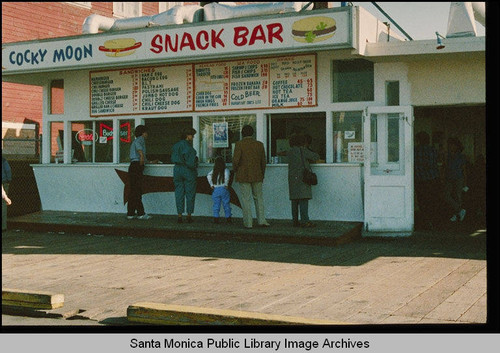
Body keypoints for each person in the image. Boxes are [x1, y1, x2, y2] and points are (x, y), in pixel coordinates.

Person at [232, 125, 269, 229]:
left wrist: (236, 170)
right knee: (259, 198)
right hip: (257, 174)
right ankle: (262, 220)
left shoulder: (239, 145)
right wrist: (262, 174)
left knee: (246, 199)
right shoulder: (259, 145)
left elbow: (235, 161)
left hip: (243, 175)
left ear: (242, 133)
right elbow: (263, 162)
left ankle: (248, 223)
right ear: (252, 133)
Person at [287, 133, 320, 228]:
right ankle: (305, 221)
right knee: (303, 199)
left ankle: (295, 221)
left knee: (294, 200)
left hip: (292, 178)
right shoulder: (303, 150)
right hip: (302, 177)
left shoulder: (289, 151)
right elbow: (316, 156)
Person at [127, 125, 155, 220]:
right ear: (143, 133)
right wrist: (142, 161)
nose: (147, 134)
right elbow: (140, 151)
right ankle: (140, 213)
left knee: (133, 190)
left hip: (133, 166)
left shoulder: (135, 140)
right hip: (137, 166)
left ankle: (130, 213)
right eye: (146, 132)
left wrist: (149, 161)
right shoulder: (140, 139)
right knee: (137, 190)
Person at [414, 131, 440, 230]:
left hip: (419, 180)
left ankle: (424, 222)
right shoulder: (432, 150)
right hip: (432, 179)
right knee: (432, 201)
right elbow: (435, 163)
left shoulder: (415, 150)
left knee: (422, 201)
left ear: (418, 140)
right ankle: (433, 222)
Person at [172, 127, 198, 223]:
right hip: (188, 171)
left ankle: (179, 215)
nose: (193, 137)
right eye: (192, 135)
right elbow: (191, 163)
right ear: (188, 136)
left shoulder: (175, 145)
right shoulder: (189, 148)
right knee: (190, 193)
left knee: (179, 193)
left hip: (177, 170)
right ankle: (189, 215)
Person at [444, 137, 467, 222]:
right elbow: (446, 167)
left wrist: (465, 182)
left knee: (458, 197)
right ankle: (460, 211)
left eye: (452, 145)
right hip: (449, 178)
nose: (450, 147)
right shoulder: (448, 156)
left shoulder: (461, 156)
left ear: (457, 146)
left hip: (458, 178)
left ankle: (456, 215)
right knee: (446, 196)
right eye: (449, 145)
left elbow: (464, 170)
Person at [207, 156, 232, 224]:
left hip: (215, 189)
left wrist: (211, 184)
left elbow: (208, 175)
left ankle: (216, 218)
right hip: (224, 188)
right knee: (226, 204)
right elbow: (227, 176)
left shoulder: (214, 170)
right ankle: (228, 218)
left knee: (216, 204)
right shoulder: (226, 170)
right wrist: (226, 184)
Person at [2, 156, 12, 231]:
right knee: (3, 205)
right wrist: (8, 179)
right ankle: (3, 226)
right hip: (4, 182)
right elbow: (8, 170)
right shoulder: (3, 160)